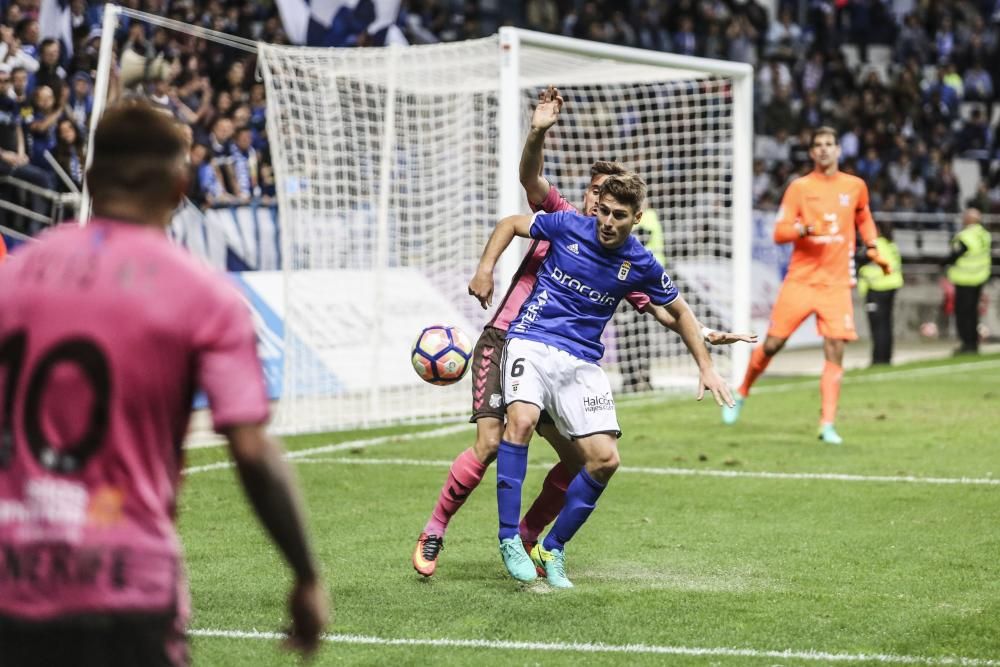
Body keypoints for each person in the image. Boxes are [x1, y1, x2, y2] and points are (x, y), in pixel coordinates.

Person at [0, 102, 327, 666]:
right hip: (124, 583)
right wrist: (305, 575)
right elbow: (251, 449)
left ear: (89, 178)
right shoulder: (205, 295)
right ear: (180, 188)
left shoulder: (15, 274)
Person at [411, 88, 753, 579]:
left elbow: (662, 307)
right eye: (595, 194)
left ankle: (531, 539)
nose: (599, 204)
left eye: (609, 200)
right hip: (509, 337)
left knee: (582, 462)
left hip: (567, 359)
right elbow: (526, 183)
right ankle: (437, 527)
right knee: (492, 443)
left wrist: (703, 335)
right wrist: (538, 132)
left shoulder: (621, 252)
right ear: (588, 194)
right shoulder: (562, 215)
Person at [477, 174, 733, 588]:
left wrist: (705, 365)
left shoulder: (641, 262)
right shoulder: (568, 225)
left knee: (605, 460)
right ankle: (509, 539)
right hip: (531, 341)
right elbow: (510, 222)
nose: (607, 222)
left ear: (636, 218)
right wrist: (485, 268)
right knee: (520, 423)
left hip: (581, 363)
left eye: (619, 215)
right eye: (604, 212)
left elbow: (681, 312)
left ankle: (553, 547)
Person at [722, 126, 893, 446]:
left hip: (836, 283)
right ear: (812, 152)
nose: (824, 149)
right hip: (801, 280)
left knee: (835, 350)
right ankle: (742, 390)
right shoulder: (799, 188)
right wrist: (803, 228)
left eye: (830, 144)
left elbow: (864, 217)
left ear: (838, 150)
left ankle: (827, 423)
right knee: (772, 345)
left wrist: (872, 245)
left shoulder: (855, 186)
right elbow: (779, 232)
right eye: (818, 145)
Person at [943, 207, 992, 354]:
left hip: (965, 279)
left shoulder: (966, 236)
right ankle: (973, 343)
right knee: (973, 313)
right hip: (980, 277)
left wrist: (943, 263)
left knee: (963, 313)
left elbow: (956, 254)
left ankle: (967, 343)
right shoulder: (984, 234)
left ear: (969, 219)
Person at [858, 219, 903, 365]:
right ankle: (886, 357)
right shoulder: (890, 244)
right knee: (886, 324)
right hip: (890, 287)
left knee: (878, 326)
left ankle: (878, 358)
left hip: (877, 288)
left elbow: (862, 261)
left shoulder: (875, 245)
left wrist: (863, 272)